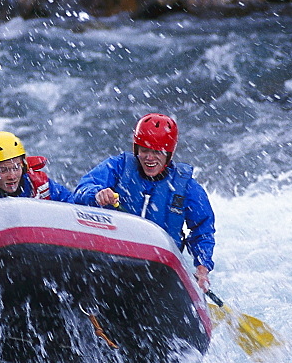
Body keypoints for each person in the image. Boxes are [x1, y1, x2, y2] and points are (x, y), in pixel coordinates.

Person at [73, 113, 215, 292]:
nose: (149, 158)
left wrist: (202, 270)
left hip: (158, 269)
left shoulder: (187, 187)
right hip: (113, 259)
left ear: (169, 154)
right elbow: (81, 190)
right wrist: (96, 194)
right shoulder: (118, 166)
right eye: (144, 150)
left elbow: (203, 230)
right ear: (136, 149)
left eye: (157, 152)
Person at [0, 131, 74, 209]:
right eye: (3, 170)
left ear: (23, 165)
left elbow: (72, 204)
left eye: (16, 167)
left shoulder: (41, 184)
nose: (12, 176)